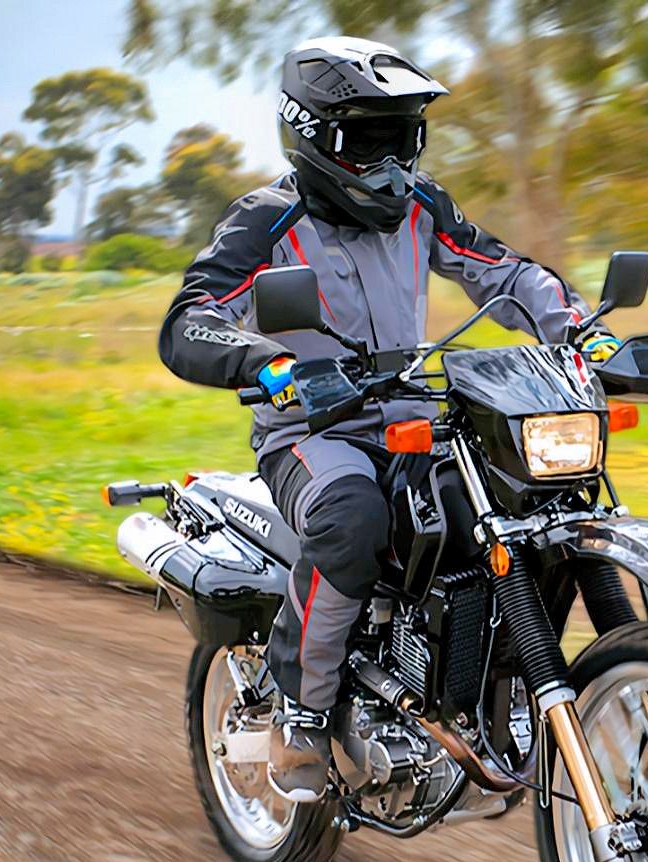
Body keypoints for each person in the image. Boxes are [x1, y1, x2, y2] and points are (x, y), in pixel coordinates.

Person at [157, 37, 619, 803]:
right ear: (313, 136)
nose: (393, 164)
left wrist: (575, 324)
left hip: (417, 421)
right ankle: (301, 712)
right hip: (314, 433)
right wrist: (265, 363)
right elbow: (190, 320)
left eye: (402, 139)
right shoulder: (266, 222)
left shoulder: (423, 207)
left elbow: (502, 273)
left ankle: (507, 688)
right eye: (370, 141)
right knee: (351, 517)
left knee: (534, 504)